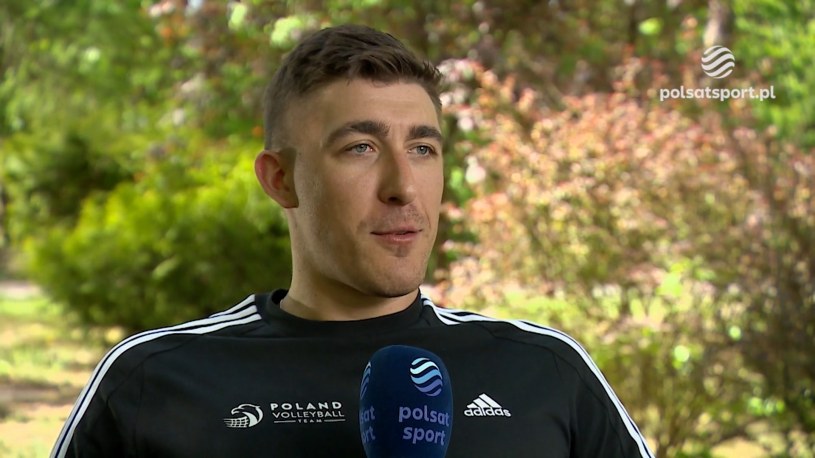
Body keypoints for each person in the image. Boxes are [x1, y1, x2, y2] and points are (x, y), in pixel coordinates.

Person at [51, 24, 654, 457]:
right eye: (360, 148)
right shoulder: (153, 379)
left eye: (423, 148)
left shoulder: (546, 369)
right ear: (281, 179)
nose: (403, 186)